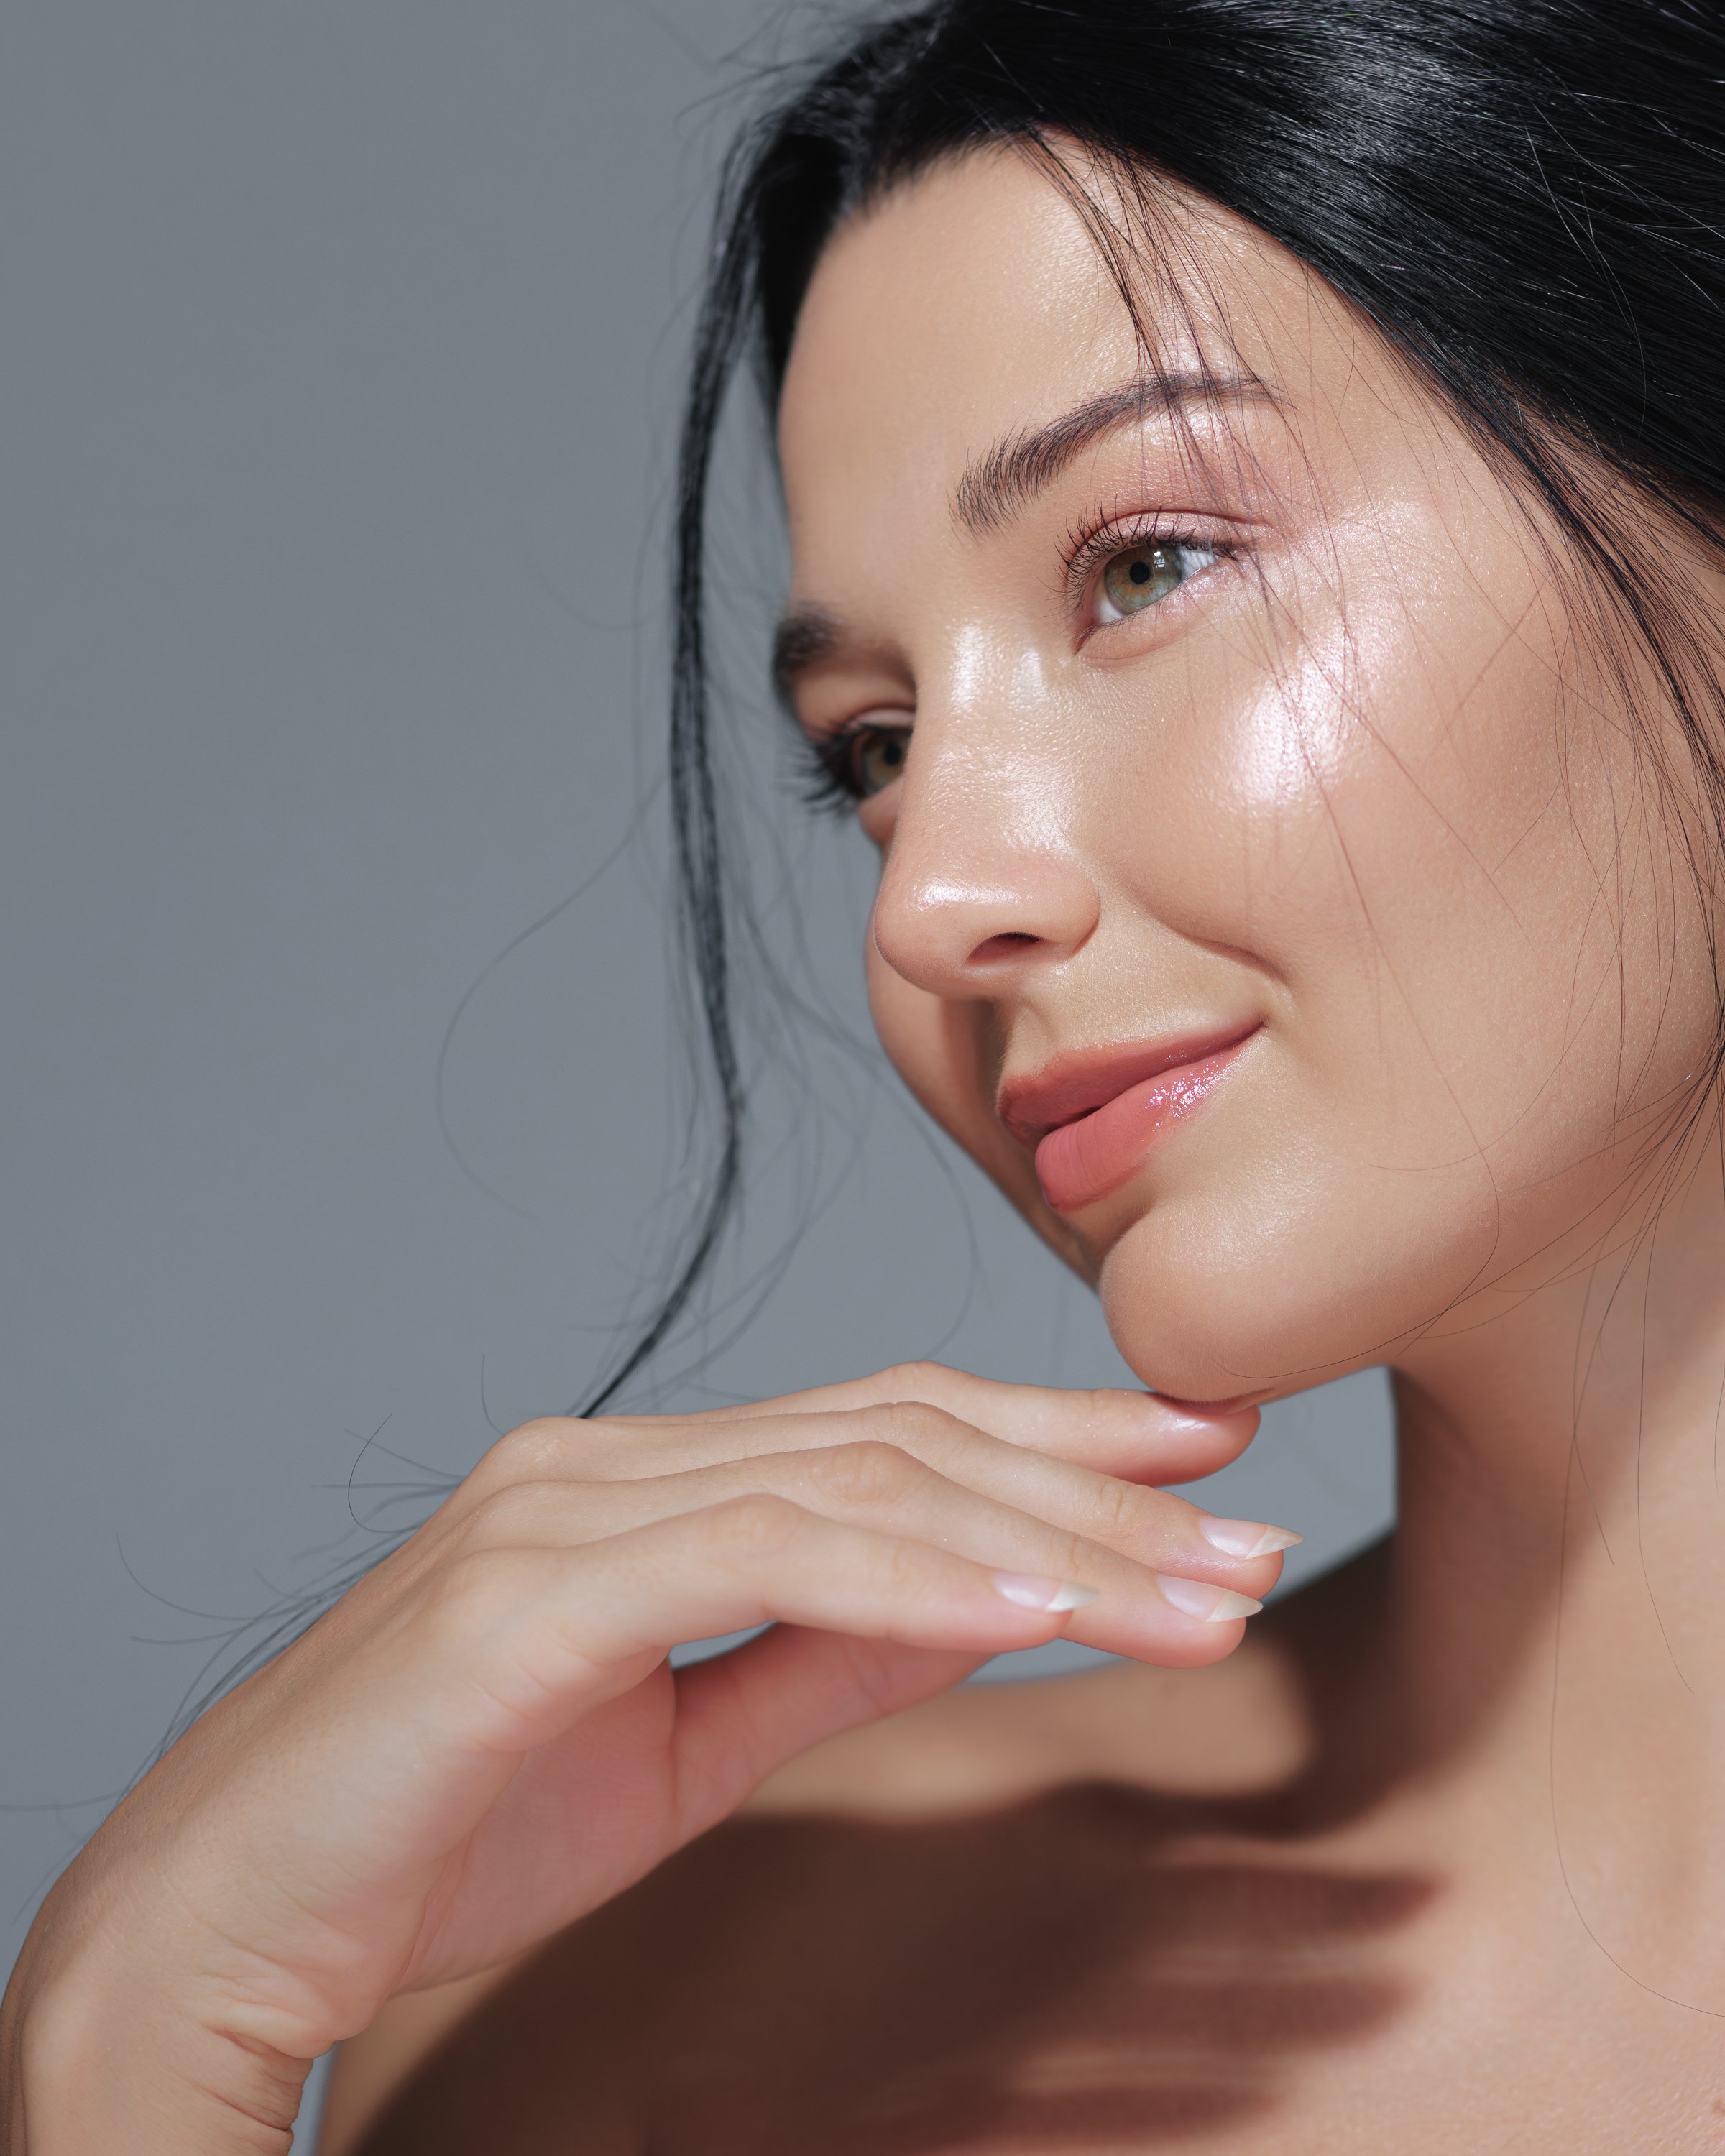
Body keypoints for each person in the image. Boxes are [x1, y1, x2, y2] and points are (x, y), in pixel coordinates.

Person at [8, 1, 1725, 2147]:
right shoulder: (670, 2007)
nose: (929, 904)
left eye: (1146, 569)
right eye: (876, 754)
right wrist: (137, 2034)